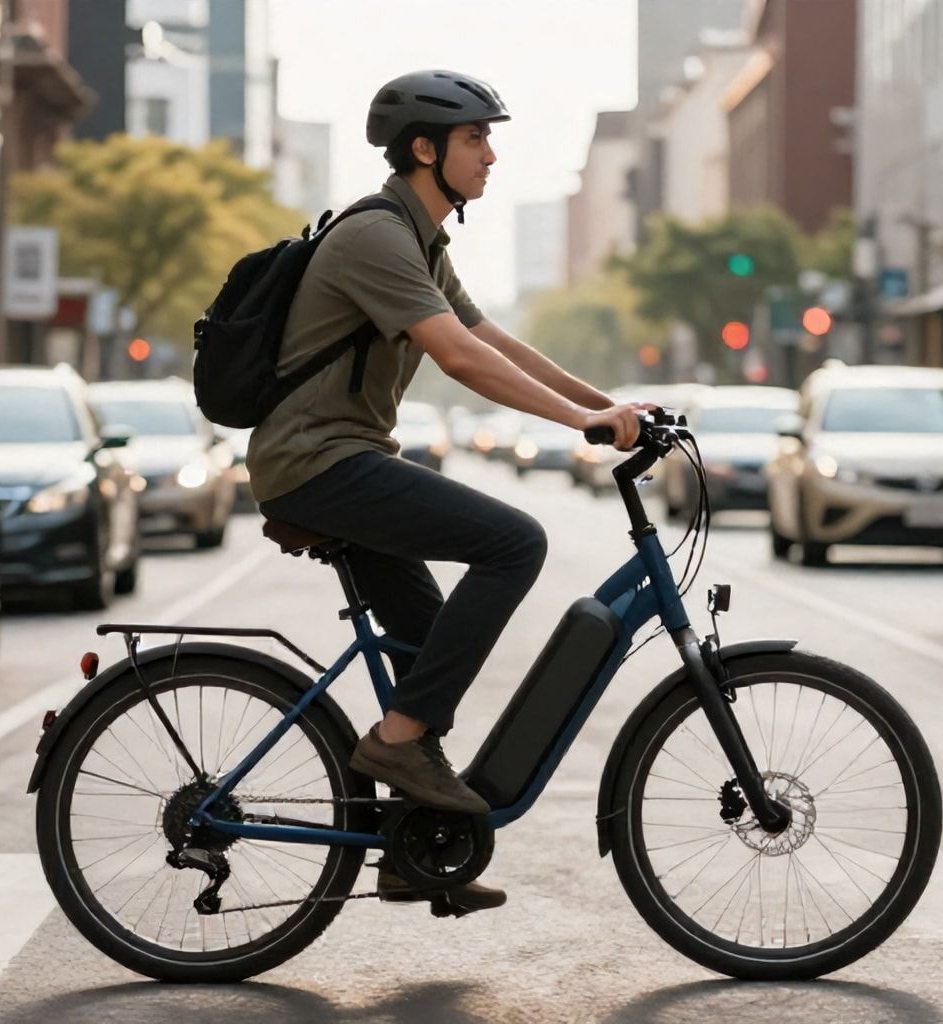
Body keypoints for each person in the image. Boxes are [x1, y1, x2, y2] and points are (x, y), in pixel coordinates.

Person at [247, 70, 645, 911]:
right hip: (319, 462)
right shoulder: (375, 237)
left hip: (344, 456)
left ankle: (408, 848)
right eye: (475, 139)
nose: (491, 155)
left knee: (432, 645)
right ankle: (395, 746)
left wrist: (600, 403)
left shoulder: (420, 239)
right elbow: (460, 361)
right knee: (515, 542)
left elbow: (485, 333)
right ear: (425, 149)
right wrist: (581, 423)